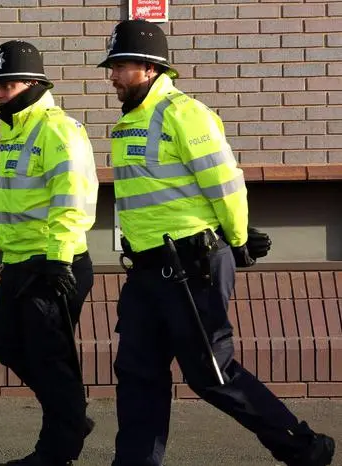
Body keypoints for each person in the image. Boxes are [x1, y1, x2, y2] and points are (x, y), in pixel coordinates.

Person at [98, 19, 336, 466]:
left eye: (120, 66)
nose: (112, 75)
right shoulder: (128, 123)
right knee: (137, 374)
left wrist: (238, 238)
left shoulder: (185, 114)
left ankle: (303, 448)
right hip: (146, 270)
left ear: (149, 69)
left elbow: (226, 184)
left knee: (211, 373)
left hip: (191, 266)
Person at [0, 40, 99, 466]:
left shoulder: (56, 128)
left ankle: (56, 452)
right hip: (19, 263)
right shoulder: (13, 130)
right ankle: (71, 414)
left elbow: (71, 197)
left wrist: (58, 257)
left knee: (50, 360)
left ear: (33, 83)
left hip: (54, 264)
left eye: (7, 84)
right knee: (4, 342)